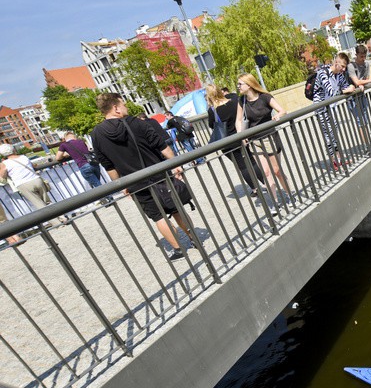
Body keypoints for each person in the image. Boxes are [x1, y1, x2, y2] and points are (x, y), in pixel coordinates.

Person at [91, 93, 194, 261]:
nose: (126, 107)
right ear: (115, 108)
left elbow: (107, 164)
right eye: (123, 104)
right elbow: (161, 146)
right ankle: (193, 239)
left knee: (158, 216)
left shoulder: (96, 134)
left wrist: (120, 184)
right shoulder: (137, 123)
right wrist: (176, 163)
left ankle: (178, 249)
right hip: (159, 174)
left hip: (135, 182)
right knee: (176, 209)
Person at [235, 73, 290, 209]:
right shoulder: (241, 101)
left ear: (249, 84)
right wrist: (241, 135)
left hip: (269, 137)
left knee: (276, 171)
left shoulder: (265, 97)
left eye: (240, 84)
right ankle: (275, 202)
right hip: (254, 140)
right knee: (265, 172)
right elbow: (238, 120)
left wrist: (277, 115)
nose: (238, 87)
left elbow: (282, 110)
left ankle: (289, 193)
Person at [206, 84, 269, 197]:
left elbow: (212, 125)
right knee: (252, 161)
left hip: (226, 143)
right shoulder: (234, 102)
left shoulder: (212, 110)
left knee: (242, 167)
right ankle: (266, 183)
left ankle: (255, 189)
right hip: (240, 136)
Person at [312, 52, 356, 169]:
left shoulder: (339, 75)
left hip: (332, 108)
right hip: (321, 108)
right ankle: (334, 160)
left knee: (334, 133)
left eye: (345, 66)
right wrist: (346, 90)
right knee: (328, 135)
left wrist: (351, 88)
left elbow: (346, 86)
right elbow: (331, 92)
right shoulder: (322, 73)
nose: (343, 69)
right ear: (336, 62)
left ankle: (338, 158)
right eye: (342, 66)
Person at [55, 131, 112, 204]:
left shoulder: (64, 145)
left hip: (84, 166)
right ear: (74, 136)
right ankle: (104, 200)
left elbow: (58, 158)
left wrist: (66, 155)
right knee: (97, 183)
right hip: (94, 164)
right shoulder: (81, 141)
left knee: (97, 185)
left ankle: (109, 198)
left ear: (65, 138)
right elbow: (87, 150)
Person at [0, 144, 50, 213]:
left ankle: (58, 222)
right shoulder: (24, 157)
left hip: (23, 185)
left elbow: (2, 176)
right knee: (48, 202)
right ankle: (62, 217)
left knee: (40, 205)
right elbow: (34, 166)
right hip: (36, 179)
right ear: (13, 150)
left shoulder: (5, 163)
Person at [347, 44, 371, 154]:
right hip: (353, 98)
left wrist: (364, 82)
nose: (363, 59)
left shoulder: (366, 65)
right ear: (356, 55)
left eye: (364, 56)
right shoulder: (351, 66)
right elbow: (357, 82)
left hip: (361, 96)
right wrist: (363, 82)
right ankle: (366, 146)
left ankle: (368, 144)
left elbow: (366, 79)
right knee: (360, 122)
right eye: (361, 57)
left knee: (365, 121)